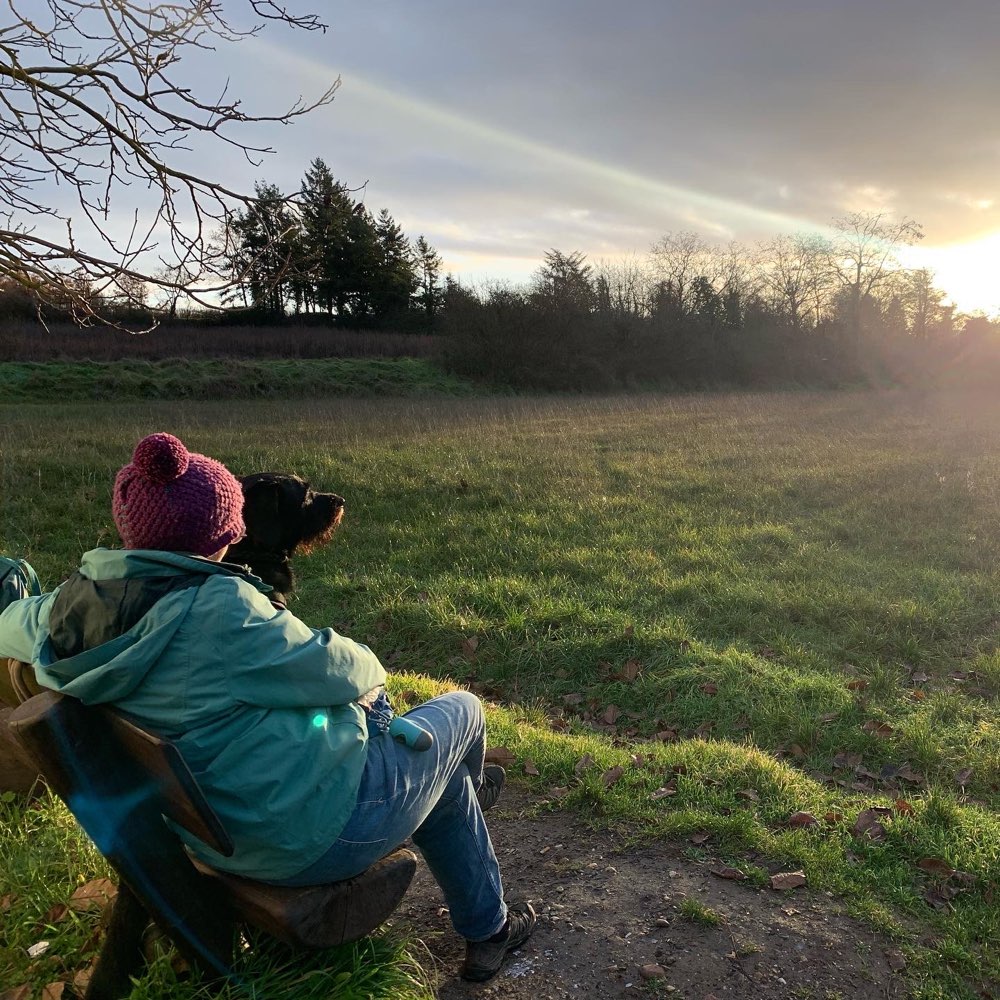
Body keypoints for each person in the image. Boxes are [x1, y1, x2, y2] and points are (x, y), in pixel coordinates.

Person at [0, 432, 535, 982]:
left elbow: (7, 624)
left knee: (440, 777)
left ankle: (487, 917)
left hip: (207, 832)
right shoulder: (225, 611)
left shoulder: (70, 607)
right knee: (463, 709)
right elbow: (353, 670)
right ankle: (483, 886)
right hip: (302, 840)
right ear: (220, 535)